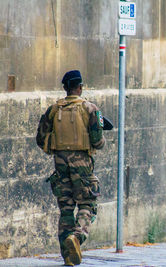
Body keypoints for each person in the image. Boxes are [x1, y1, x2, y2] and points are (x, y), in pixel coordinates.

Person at [36, 70, 105, 266]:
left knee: (66, 210)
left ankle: (68, 256)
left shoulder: (53, 110)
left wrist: (55, 150)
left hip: (60, 163)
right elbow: (98, 140)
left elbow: (40, 139)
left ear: (65, 88)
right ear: (80, 87)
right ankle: (77, 237)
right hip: (82, 164)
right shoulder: (90, 109)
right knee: (87, 205)